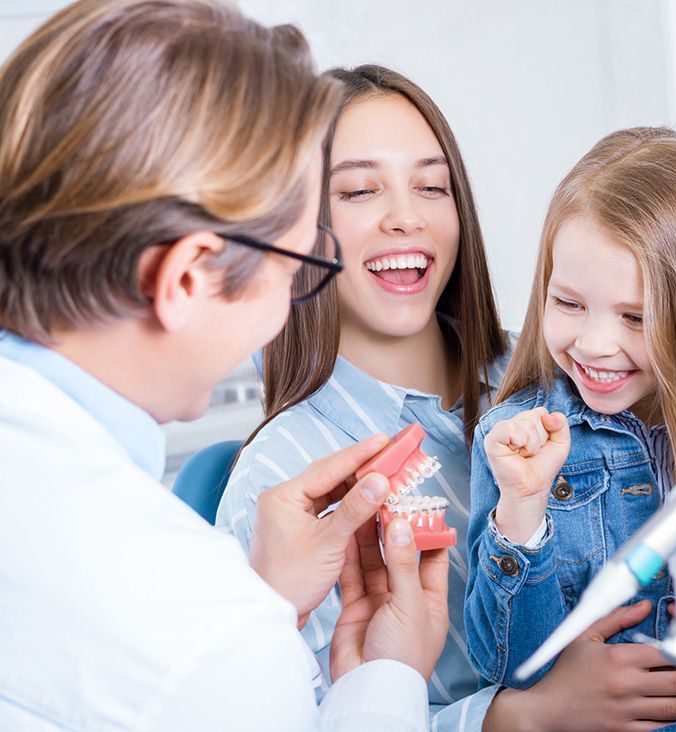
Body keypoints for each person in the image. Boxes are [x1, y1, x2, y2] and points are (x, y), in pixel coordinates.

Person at [215, 70, 676, 732]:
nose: (404, 215)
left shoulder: (583, 371)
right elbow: (288, 718)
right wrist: (519, 716)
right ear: (294, 229)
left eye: (432, 186)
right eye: (357, 190)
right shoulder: (281, 480)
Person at [0, 2, 450, 730]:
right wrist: (386, 681)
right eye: (299, 264)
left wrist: (258, 600)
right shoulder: (212, 647)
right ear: (187, 280)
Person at [465, 127, 676, 730]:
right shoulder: (518, 445)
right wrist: (523, 510)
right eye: (568, 303)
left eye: (635, 317)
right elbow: (511, 666)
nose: (594, 344)